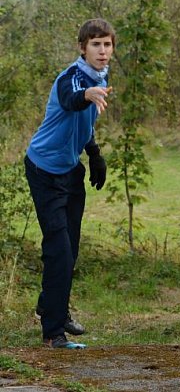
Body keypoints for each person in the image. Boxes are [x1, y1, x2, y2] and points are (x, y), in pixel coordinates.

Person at [25, 18, 115, 349]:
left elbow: (82, 121)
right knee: (59, 249)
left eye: (107, 44)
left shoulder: (101, 77)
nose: (102, 50)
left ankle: (53, 307)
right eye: (95, 44)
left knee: (71, 248)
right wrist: (88, 94)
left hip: (70, 169)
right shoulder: (71, 79)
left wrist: (94, 154)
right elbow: (70, 101)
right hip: (44, 169)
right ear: (82, 48)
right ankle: (52, 333)